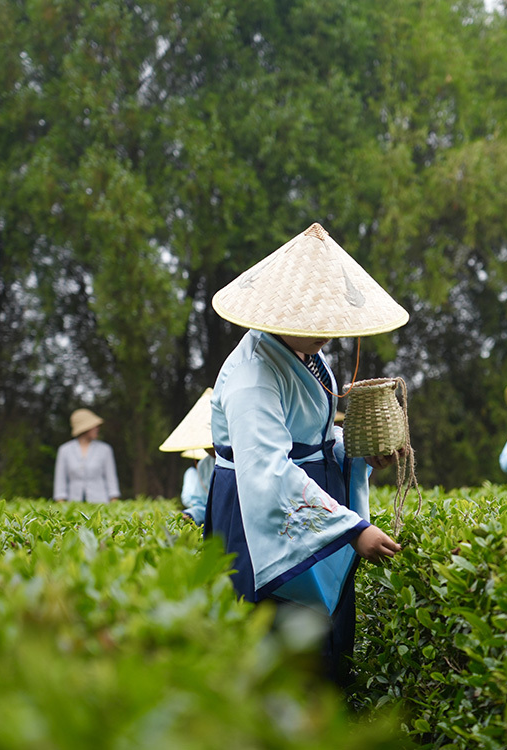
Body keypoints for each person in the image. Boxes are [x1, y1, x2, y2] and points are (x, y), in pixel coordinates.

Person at [205, 223, 408, 687]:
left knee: (324, 642)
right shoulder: (253, 376)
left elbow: (314, 441)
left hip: (309, 504)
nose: (325, 333)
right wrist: (354, 529)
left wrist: (355, 454)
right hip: (261, 519)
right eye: (313, 322)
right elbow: (267, 472)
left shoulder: (301, 352)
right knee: (282, 652)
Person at [159, 388, 216, 524]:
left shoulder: (243, 459)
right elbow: (202, 506)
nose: (208, 449)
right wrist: (189, 515)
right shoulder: (204, 466)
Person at [53, 408, 120, 503]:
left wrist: (114, 502)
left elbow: (111, 479)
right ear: (85, 428)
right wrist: (61, 504)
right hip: (74, 504)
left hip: (100, 503)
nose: (97, 428)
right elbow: (60, 481)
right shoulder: (65, 450)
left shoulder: (105, 449)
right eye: (94, 426)